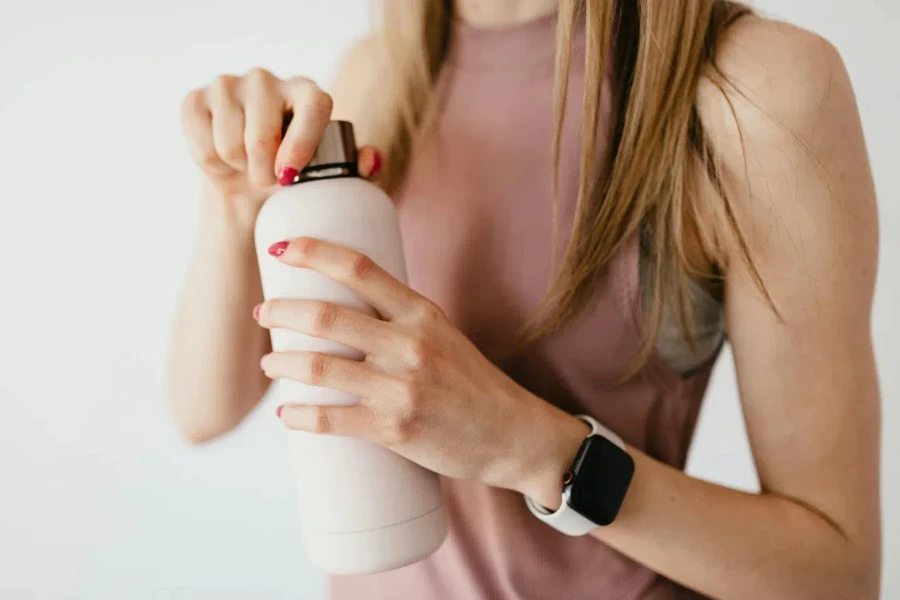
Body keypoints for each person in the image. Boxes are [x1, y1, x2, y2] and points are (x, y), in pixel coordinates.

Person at [167, 0, 882, 598]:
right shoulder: (381, 73)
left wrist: (529, 449)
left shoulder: (752, 88)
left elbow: (838, 573)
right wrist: (235, 212)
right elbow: (203, 410)